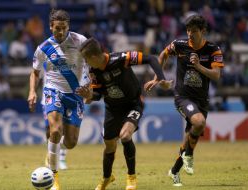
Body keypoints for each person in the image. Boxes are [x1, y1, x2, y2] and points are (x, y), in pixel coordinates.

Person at [76, 37, 172, 190]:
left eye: (86, 59)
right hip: (112, 108)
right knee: (109, 146)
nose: (86, 63)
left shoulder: (122, 59)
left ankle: (131, 178)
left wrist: (161, 79)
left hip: (133, 104)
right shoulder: (92, 71)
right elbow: (98, 95)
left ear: (94, 57)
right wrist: (88, 96)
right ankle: (107, 178)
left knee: (125, 136)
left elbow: (151, 58)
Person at [144, 15, 224, 186]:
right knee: (199, 122)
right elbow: (163, 54)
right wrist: (158, 77)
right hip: (183, 97)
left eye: (193, 31)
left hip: (201, 100)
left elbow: (216, 75)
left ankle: (174, 171)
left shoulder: (213, 50)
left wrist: (199, 67)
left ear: (203, 31)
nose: (189, 34)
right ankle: (189, 155)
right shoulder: (179, 45)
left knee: (188, 139)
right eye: (188, 30)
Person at [27, 9, 90, 190]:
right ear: (50, 27)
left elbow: (92, 63)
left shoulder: (80, 41)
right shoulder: (43, 48)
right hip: (53, 91)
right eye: (56, 29)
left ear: (68, 26)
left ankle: (53, 152)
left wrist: (90, 85)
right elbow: (35, 72)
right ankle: (54, 178)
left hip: (75, 94)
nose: (60, 32)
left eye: (63, 28)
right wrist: (32, 91)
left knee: (70, 142)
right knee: (55, 130)